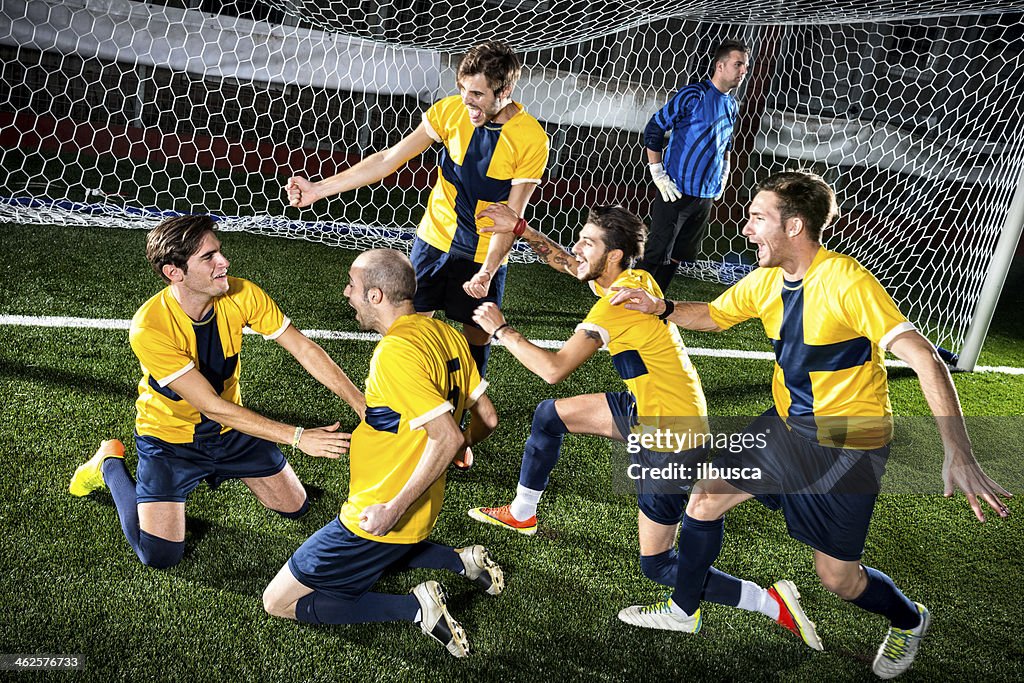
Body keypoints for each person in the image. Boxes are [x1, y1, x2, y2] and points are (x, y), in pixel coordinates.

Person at [610, 171, 1012, 678]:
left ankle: (909, 619)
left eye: (758, 218)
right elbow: (713, 315)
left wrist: (960, 452)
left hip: (847, 447)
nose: (746, 228)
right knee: (706, 496)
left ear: (794, 226)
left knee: (838, 578)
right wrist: (663, 306)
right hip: (785, 429)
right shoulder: (766, 280)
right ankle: (683, 610)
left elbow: (926, 359)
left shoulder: (847, 282)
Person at [465, 202, 823, 650]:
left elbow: (553, 368)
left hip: (672, 434)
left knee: (657, 564)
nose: (577, 250)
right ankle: (522, 513)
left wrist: (503, 331)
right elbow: (572, 265)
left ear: (613, 256)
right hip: (648, 407)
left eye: (588, 242)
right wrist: (522, 229)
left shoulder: (617, 304)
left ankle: (771, 602)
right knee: (549, 416)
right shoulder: (632, 281)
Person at [69, 215, 364, 569]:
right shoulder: (150, 327)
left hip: (233, 431)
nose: (223, 262)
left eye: (219, 252)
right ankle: (109, 463)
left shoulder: (242, 293)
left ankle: (234, 468)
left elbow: (303, 348)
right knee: (160, 556)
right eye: (208, 257)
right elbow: (211, 406)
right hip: (170, 441)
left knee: (296, 505)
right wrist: (298, 436)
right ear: (174, 272)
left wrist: (361, 404)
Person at [262, 249, 502, 658]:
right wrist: (463, 445)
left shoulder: (394, 353)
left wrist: (390, 508)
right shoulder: (446, 334)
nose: (346, 293)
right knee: (391, 549)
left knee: (277, 602)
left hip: (378, 510)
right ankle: (462, 561)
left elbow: (444, 435)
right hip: (425, 505)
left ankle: (417, 608)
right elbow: (487, 417)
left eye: (352, 287)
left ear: (376, 296)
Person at [286, 41, 549, 379]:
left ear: (505, 90)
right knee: (408, 329)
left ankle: (463, 409)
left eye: (478, 94)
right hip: (433, 242)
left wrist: (487, 271)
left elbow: (511, 219)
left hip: (483, 255)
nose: (467, 100)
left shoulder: (531, 139)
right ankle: (399, 400)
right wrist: (318, 189)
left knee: (476, 338)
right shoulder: (450, 112)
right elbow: (388, 159)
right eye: (464, 89)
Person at [638, 39, 749, 293]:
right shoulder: (694, 94)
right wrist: (657, 172)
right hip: (676, 189)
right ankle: (626, 308)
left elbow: (727, 142)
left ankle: (654, 305)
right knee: (656, 253)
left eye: (745, 66)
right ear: (720, 66)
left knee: (678, 255)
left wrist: (724, 173)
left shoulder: (731, 104)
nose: (743, 71)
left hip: (705, 196)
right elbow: (654, 128)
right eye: (738, 64)